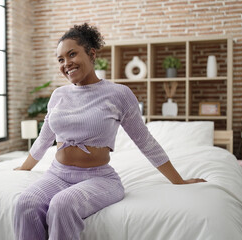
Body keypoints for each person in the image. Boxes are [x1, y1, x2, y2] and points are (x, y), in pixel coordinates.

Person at [13, 23, 206, 240]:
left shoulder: (118, 94)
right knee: (25, 203)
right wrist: (24, 168)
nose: (66, 63)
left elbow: (145, 141)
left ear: (91, 53)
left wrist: (178, 181)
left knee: (62, 204)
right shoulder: (58, 95)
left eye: (72, 54)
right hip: (58, 174)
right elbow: (44, 138)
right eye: (60, 59)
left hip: (99, 179)